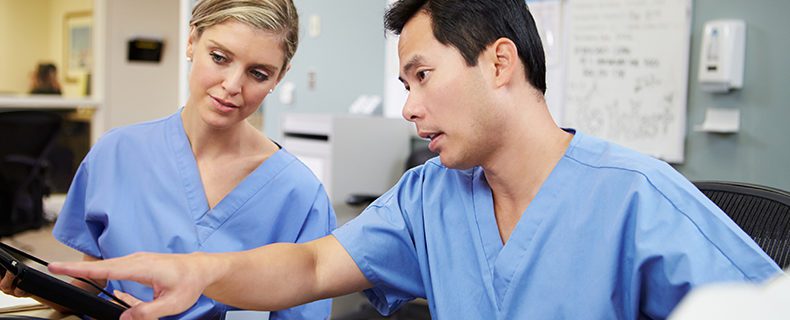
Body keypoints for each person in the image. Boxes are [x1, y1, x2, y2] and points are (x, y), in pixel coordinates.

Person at [47, 0, 782, 319]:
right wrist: (200, 273)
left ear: (499, 63)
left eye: (422, 76)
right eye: (404, 85)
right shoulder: (432, 195)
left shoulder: (638, 199)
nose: (409, 107)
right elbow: (310, 268)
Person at [1, 0, 335, 319]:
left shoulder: (299, 195)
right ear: (191, 41)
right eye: (219, 57)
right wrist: (33, 286)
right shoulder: (117, 153)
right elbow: (92, 287)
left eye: (258, 74)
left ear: (280, 76)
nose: (232, 85)